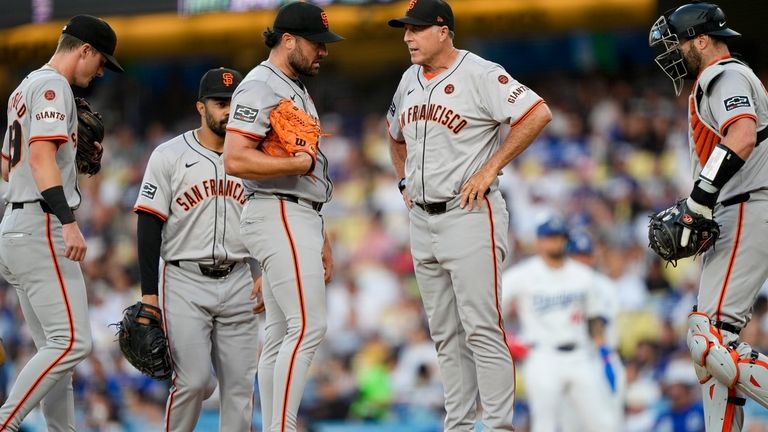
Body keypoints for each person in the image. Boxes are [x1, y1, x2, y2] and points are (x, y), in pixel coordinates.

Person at [385, 0, 551, 429]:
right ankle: (457, 424)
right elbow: (394, 136)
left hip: (470, 213)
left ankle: (497, 426)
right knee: (444, 334)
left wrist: (491, 167)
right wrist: (404, 181)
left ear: (443, 30)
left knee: (482, 328)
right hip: (421, 220)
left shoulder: (480, 72)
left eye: (416, 29)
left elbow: (537, 113)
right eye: (405, 30)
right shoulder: (408, 79)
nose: (407, 37)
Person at [223, 2, 343, 431]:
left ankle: (274, 425)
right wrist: (296, 166)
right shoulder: (260, 85)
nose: (323, 52)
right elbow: (235, 159)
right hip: (278, 212)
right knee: (309, 326)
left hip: (296, 214)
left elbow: (305, 171)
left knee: (279, 335)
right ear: (288, 40)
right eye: (317, 43)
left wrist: (320, 229)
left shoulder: (293, 86)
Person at [0, 14, 122, 431]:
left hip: (16, 227)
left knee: (54, 351)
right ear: (84, 49)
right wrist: (67, 220)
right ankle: (6, 421)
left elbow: (6, 166)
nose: (101, 70)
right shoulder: (53, 86)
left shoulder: (23, 88)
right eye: (102, 60)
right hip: (41, 226)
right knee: (72, 342)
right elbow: (38, 158)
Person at [649, 3, 768, 429]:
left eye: (677, 43)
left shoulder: (723, 74)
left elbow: (742, 133)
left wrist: (700, 198)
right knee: (711, 342)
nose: (673, 53)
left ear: (700, 39)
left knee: (708, 339)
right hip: (738, 206)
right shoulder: (717, 78)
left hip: (748, 203)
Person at [133, 67, 263, 431]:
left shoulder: (255, 156)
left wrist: (261, 272)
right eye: (220, 103)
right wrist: (148, 295)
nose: (229, 110)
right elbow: (148, 225)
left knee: (239, 389)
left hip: (239, 278)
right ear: (201, 108)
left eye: (235, 103)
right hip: (184, 279)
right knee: (193, 382)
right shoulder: (169, 155)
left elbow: (260, 221)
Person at [500, 217, 619, 432]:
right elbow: (492, 305)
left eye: (560, 238)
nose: (556, 243)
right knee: (545, 425)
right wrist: (506, 338)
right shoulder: (523, 274)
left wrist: (604, 354)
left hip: (580, 355)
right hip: (542, 355)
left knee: (604, 423)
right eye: (550, 238)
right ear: (539, 242)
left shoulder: (582, 275)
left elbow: (594, 317)